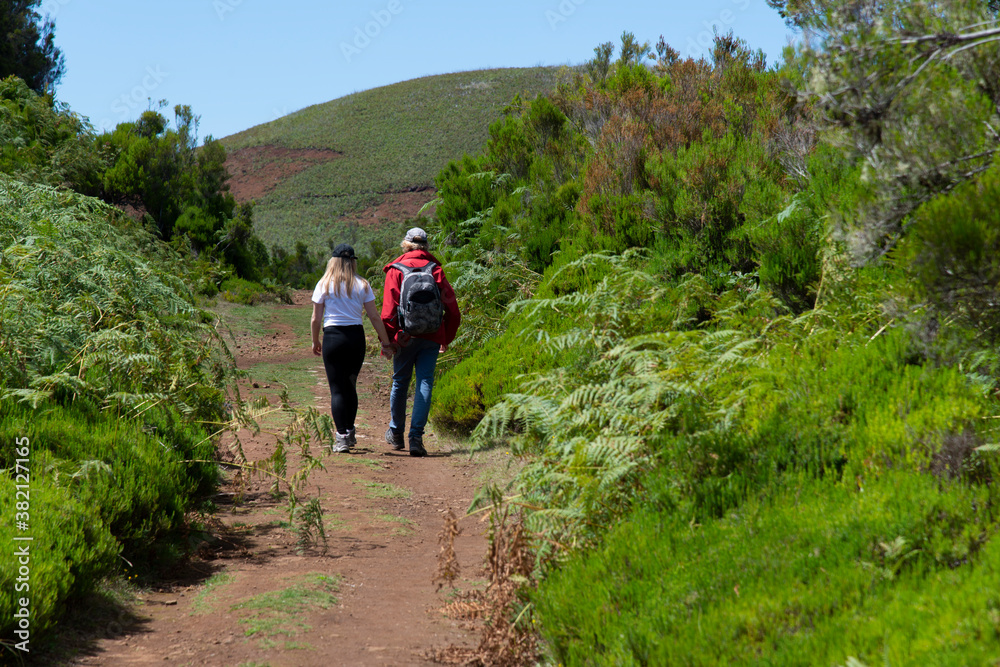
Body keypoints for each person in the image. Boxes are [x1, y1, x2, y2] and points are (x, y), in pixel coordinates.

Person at [381, 227, 461, 456]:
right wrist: (446, 336)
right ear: (426, 246)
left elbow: (387, 314)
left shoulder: (395, 270)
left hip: (404, 338)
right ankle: (416, 438)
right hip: (432, 336)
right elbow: (453, 310)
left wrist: (391, 340)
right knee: (424, 382)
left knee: (400, 382)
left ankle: (396, 433)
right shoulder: (435, 269)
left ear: (406, 245)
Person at [311, 243, 394, 453]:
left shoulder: (324, 284)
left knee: (337, 389)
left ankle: (341, 437)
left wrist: (315, 341)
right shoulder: (363, 285)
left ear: (333, 261)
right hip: (356, 338)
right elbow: (374, 317)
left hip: (333, 337)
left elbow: (315, 319)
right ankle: (349, 430)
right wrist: (386, 343)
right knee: (350, 385)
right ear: (352, 262)